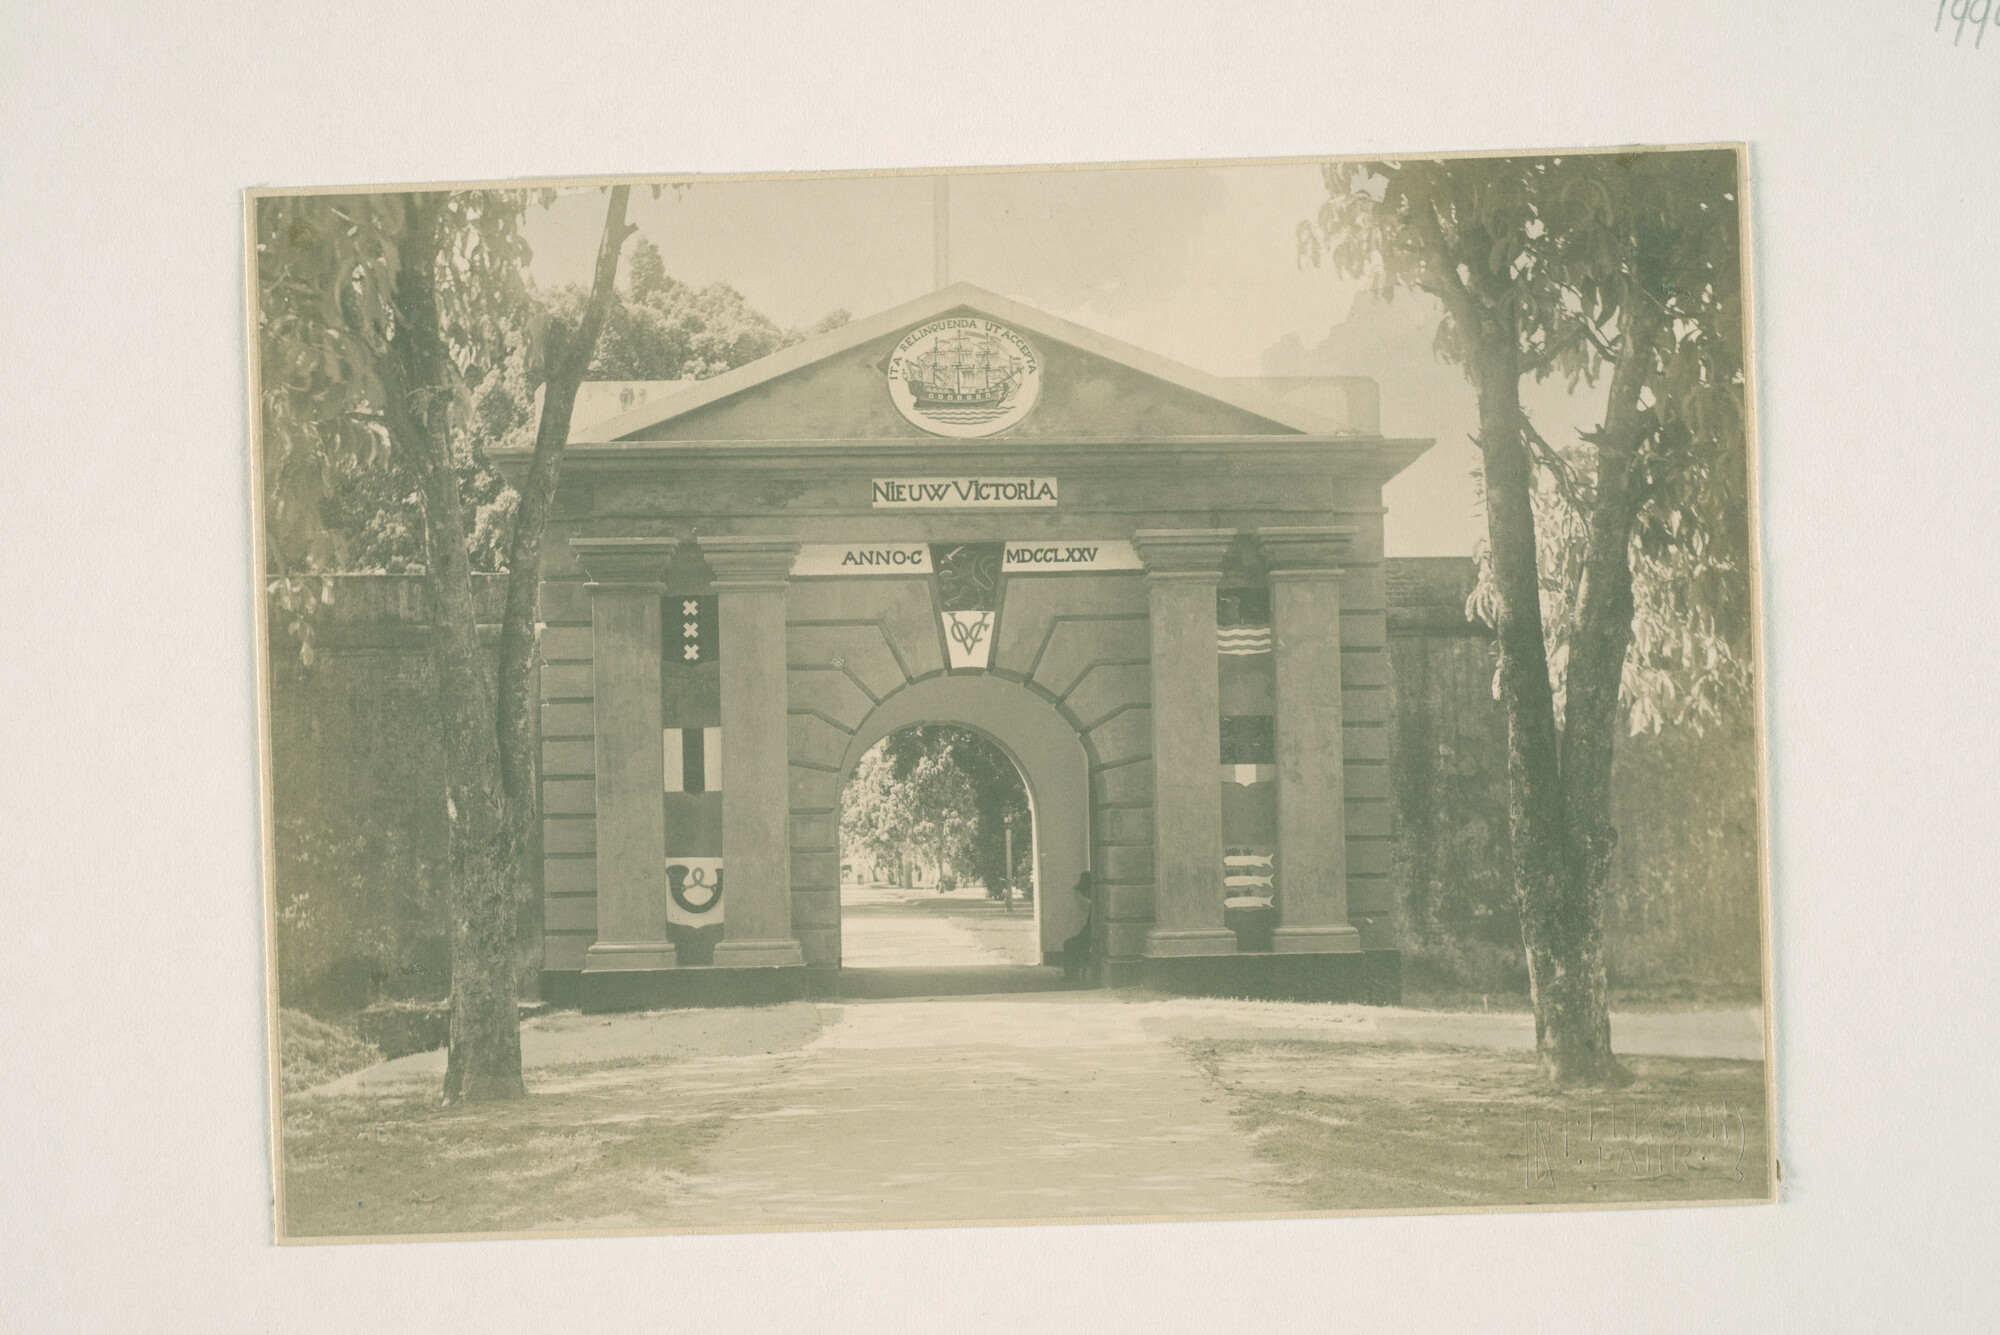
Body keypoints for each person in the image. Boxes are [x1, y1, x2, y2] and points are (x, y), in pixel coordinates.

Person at [1061, 871, 1096, 984]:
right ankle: (1073, 974)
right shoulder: (1094, 899)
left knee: (1069, 945)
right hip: (1090, 931)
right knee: (1071, 945)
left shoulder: (1092, 902)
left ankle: (1071, 976)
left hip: (1091, 933)